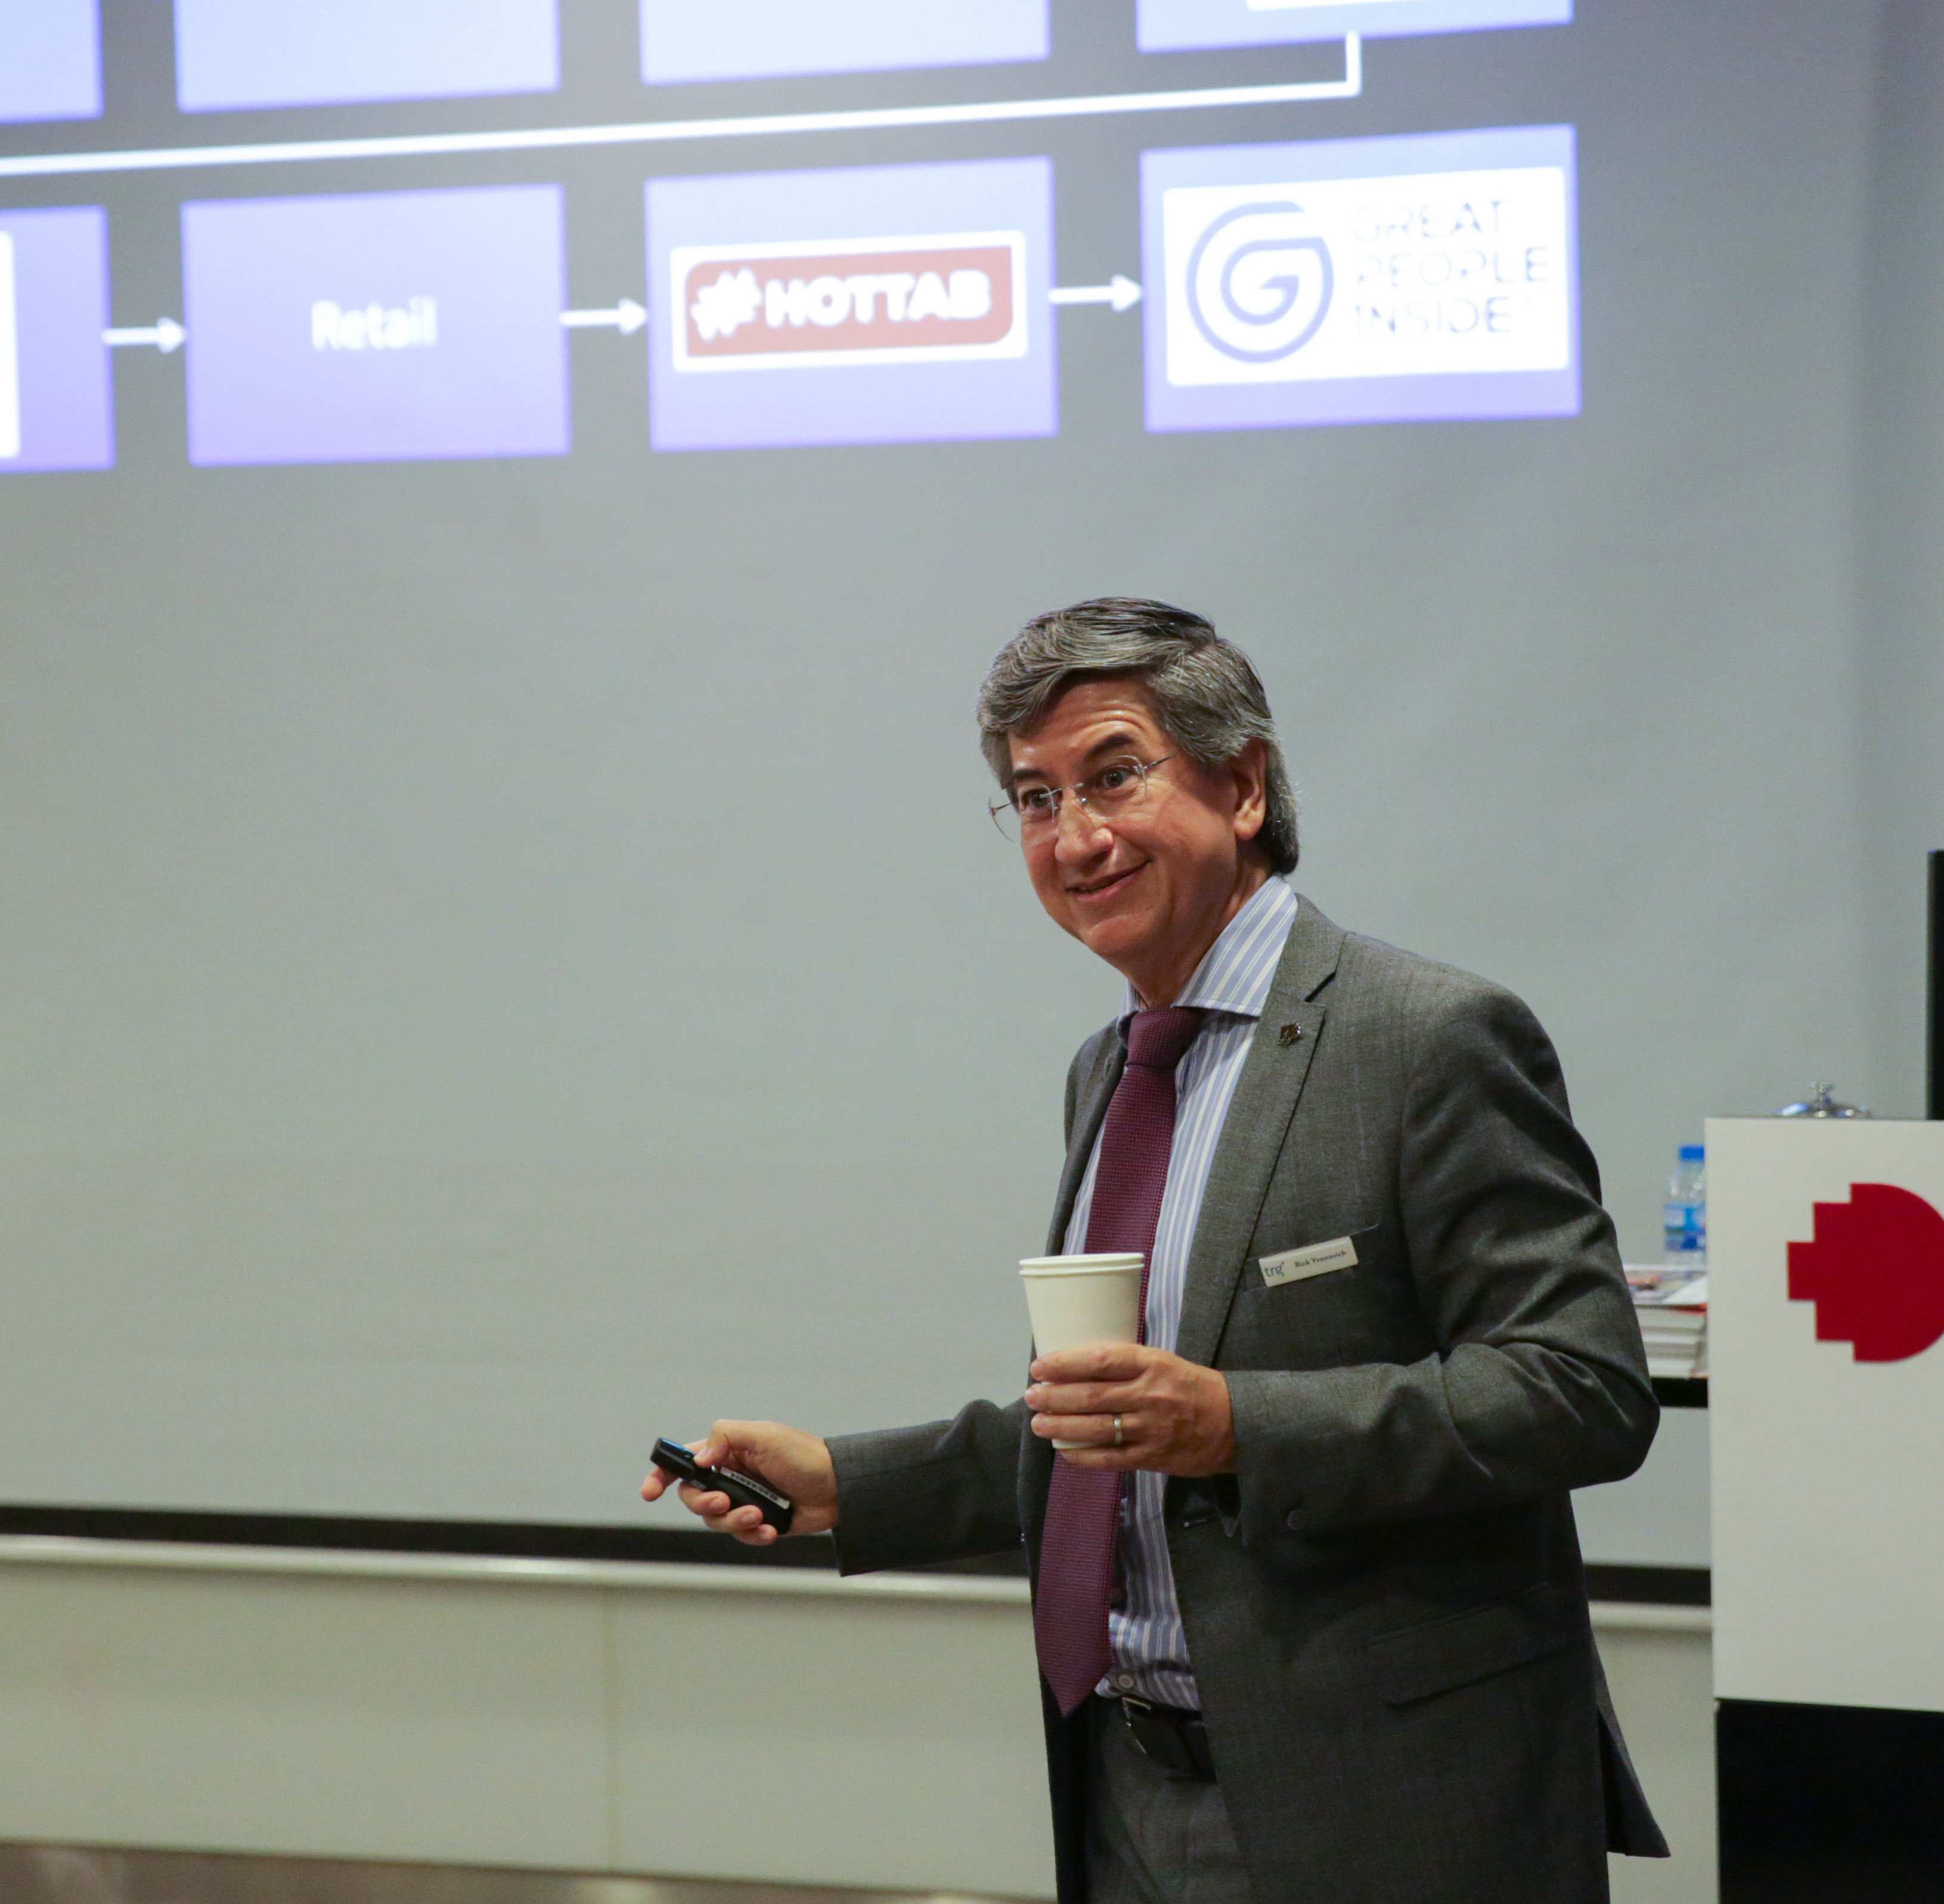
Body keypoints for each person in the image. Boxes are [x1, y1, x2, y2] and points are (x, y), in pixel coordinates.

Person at [643, 598, 1666, 1904]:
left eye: (1113, 775)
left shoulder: (1425, 1037)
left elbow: (1580, 1389)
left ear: (1241, 785)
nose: (1074, 836)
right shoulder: (1110, 1069)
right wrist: (846, 1477)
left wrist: (1239, 1420)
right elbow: (1108, 1433)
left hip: (1388, 1802)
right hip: (1123, 1785)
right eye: (1032, 796)